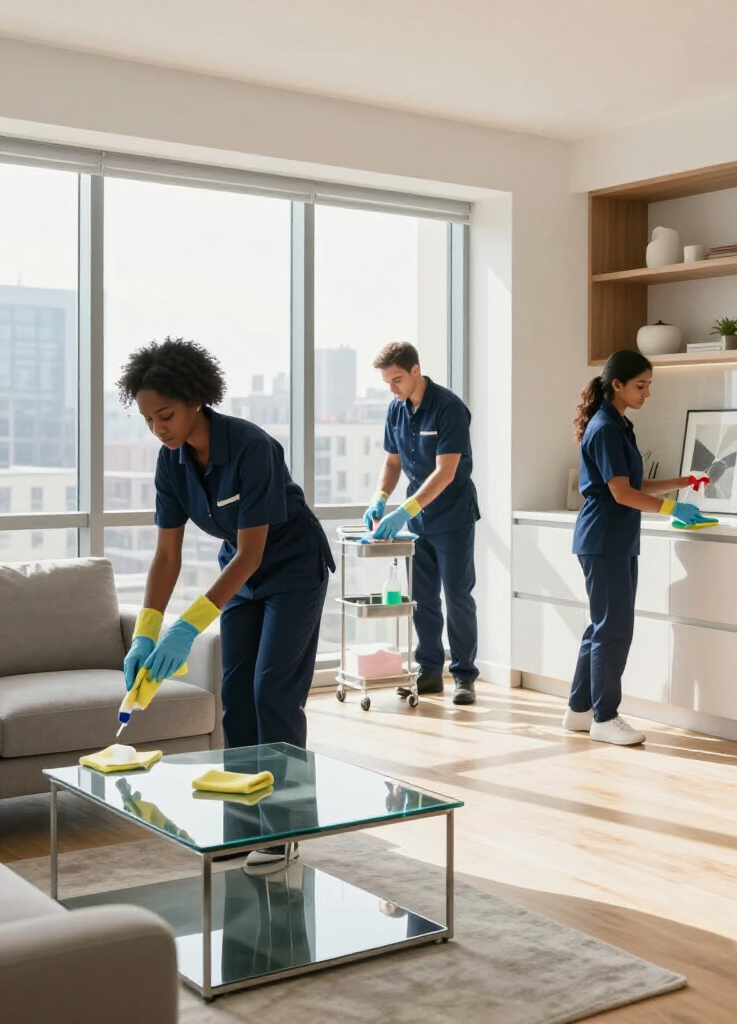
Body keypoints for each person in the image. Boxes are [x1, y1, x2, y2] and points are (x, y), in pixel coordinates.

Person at [117, 337, 335, 867]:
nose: (158, 429)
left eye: (165, 415)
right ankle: (242, 821)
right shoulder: (171, 463)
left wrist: (187, 627)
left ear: (196, 400)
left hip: (292, 570)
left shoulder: (252, 447)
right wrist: (146, 631)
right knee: (235, 693)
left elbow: (252, 551)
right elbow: (166, 556)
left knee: (271, 692)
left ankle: (284, 826)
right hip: (239, 575)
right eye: (148, 420)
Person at [566, 349, 716, 746]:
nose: (647, 393)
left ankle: (579, 710)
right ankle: (605, 717)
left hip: (614, 540)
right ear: (617, 385)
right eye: (641, 385)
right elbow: (621, 494)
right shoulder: (605, 428)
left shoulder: (619, 425)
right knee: (613, 630)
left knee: (602, 627)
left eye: (649, 385)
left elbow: (633, 484)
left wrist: (682, 483)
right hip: (605, 539)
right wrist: (672, 509)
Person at [362, 342, 480, 705]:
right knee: (423, 599)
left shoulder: (449, 408)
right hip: (418, 521)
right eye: (387, 382)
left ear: (416, 370)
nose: (392, 388)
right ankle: (429, 672)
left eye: (397, 379)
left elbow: (446, 473)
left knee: (457, 596)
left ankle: (464, 676)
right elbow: (392, 462)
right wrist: (380, 498)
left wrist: (404, 512)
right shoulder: (396, 409)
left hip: (453, 518)